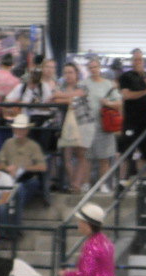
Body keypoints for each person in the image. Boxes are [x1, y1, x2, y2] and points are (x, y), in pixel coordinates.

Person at [0, 113, 48, 235]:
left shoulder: (33, 146)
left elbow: (43, 167)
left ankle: (14, 228)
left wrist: (24, 168)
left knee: (19, 190)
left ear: (27, 130)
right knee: (12, 193)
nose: (20, 131)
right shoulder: (8, 143)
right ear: (14, 129)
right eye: (18, 129)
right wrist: (8, 168)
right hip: (10, 180)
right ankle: (11, 229)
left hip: (27, 180)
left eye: (22, 129)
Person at [118, 49, 146, 181]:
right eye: (135, 60)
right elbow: (127, 95)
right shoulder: (126, 77)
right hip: (131, 120)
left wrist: (144, 76)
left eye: (140, 60)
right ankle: (123, 180)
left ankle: (144, 180)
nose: (138, 62)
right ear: (131, 61)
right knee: (126, 152)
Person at [83, 58, 122, 194]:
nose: (93, 70)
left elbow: (118, 103)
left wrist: (107, 103)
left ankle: (102, 184)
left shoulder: (108, 84)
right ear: (88, 69)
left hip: (104, 125)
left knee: (104, 158)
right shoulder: (83, 84)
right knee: (87, 157)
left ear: (100, 68)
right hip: (87, 125)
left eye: (95, 67)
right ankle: (86, 183)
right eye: (91, 67)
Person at [52, 62, 91, 193]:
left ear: (76, 73)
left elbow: (80, 95)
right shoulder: (60, 85)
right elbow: (54, 98)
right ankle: (72, 183)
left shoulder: (83, 85)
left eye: (71, 72)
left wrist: (63, 97)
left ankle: (77, 184)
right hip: (64, 125)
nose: (68, 75)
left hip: (82, 123)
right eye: (65, 72)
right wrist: (70, 98)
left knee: (81, 155)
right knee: (66, 155)